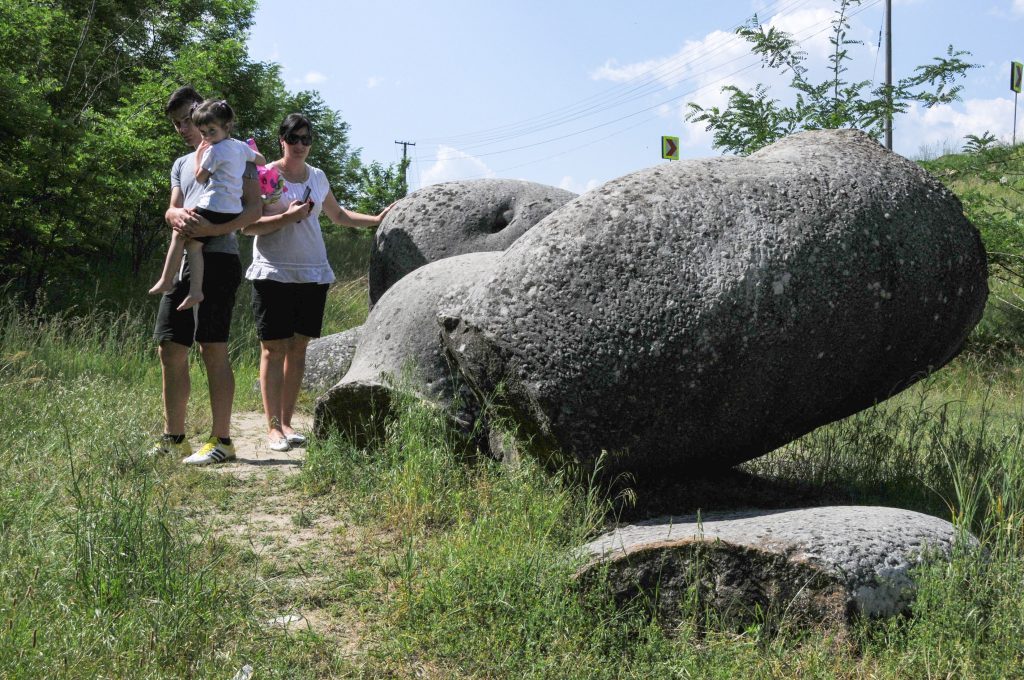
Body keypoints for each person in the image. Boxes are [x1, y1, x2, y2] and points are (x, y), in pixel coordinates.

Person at [242, 113, 392, 451]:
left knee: (297, 349)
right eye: (293, 138)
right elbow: (248, 226)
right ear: (281, 140)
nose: (299, 145)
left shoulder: (318, 177)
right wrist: (287, 216)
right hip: (273, 271)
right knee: (272, 348)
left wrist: (377, 219)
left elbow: (338, 215)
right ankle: (272, 430)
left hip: (312, 272)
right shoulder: (264, 175)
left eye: (305, 139)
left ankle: (287, 422)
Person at [150, 86, 262, 465]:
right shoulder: (182, 163)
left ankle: (222, 440)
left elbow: (253, 212)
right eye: (176, 123)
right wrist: (173, 216)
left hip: (220, 257)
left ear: (203, 113)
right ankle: (174, 438)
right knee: (170, 347)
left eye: (186, 119)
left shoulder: (237, 155)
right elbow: (172, 208)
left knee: (212, 346)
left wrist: (210, 231)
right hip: (183, 256)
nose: (182, 128)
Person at [149, 99, 266, 311]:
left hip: (214, 207)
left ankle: (167, 279)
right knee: (194, 244)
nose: (207, 138)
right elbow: (261, 160)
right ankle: (195, 291)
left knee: (180, 233)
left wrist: (199, 157)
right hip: (231, 210)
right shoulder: (240, 147)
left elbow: (201, 177)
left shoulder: (212, 151)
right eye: (204, 133)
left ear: (226, 126)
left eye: (210, 131)